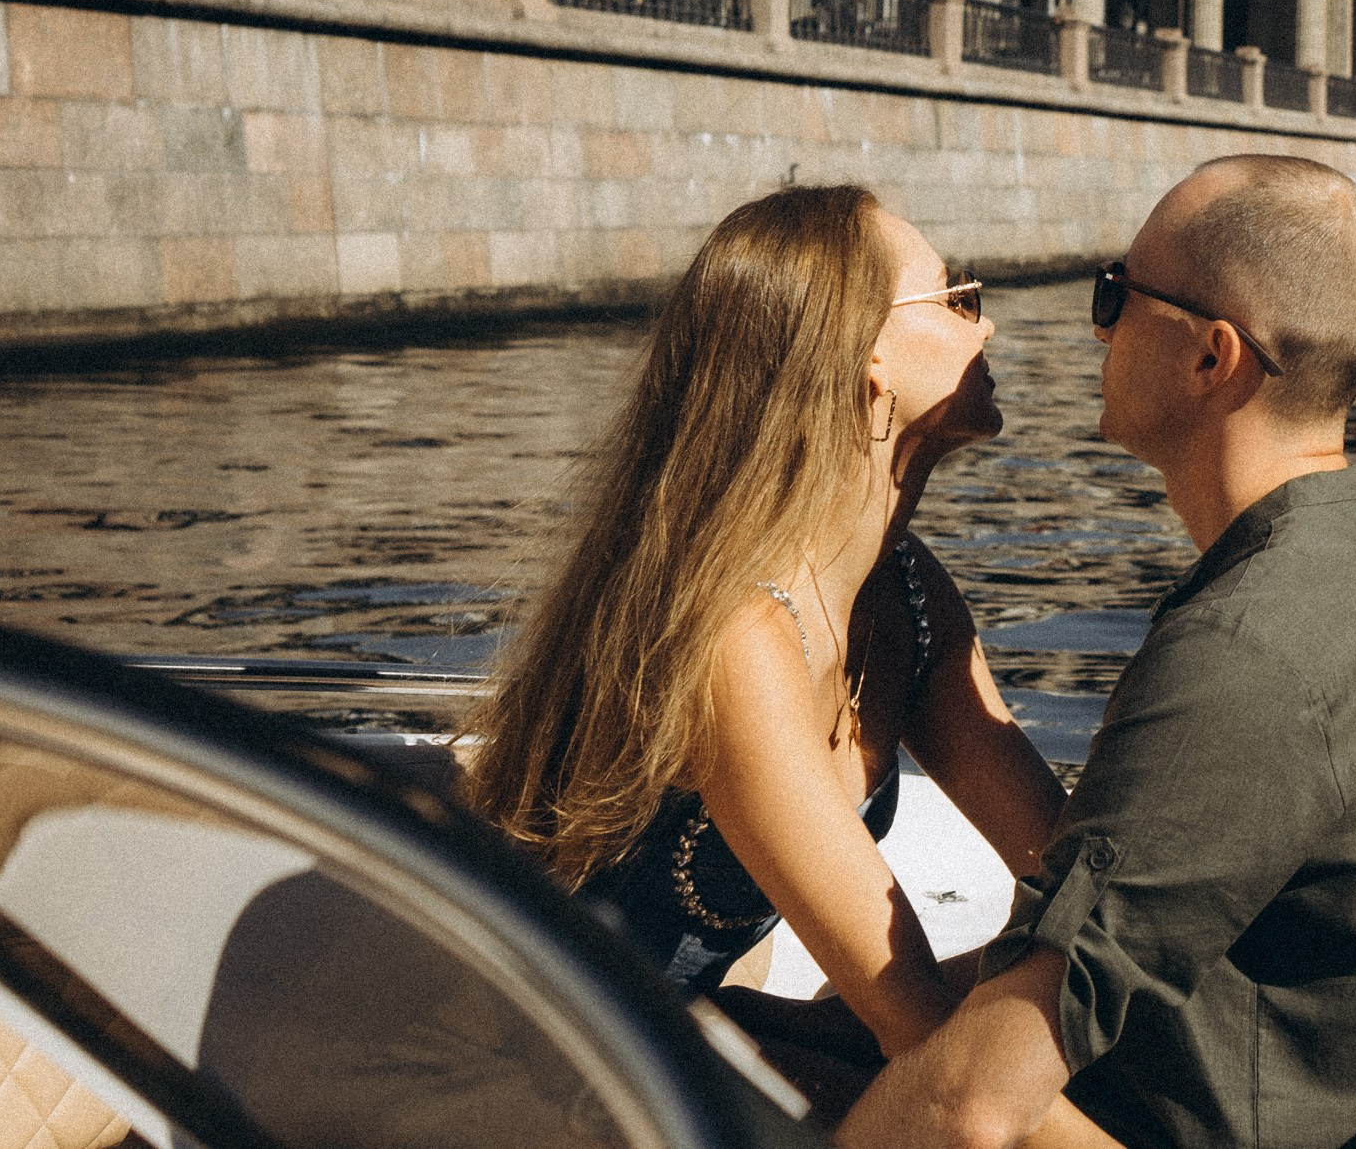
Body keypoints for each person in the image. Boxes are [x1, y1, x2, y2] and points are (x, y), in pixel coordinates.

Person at [839, 155, 1356, 1149]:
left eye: (1117, 297)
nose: (1096, 327)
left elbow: (970, 1108)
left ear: (1209, 359)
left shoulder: (1256, 644)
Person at [465, 186, 1120, 1145]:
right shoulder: (738, 640)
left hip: (678, 1031)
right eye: (956, 299)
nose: (988, 328)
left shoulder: (907, 593)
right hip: (530, 1068)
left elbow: (1066, 889)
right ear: (867, 360)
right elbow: (936, 1059)